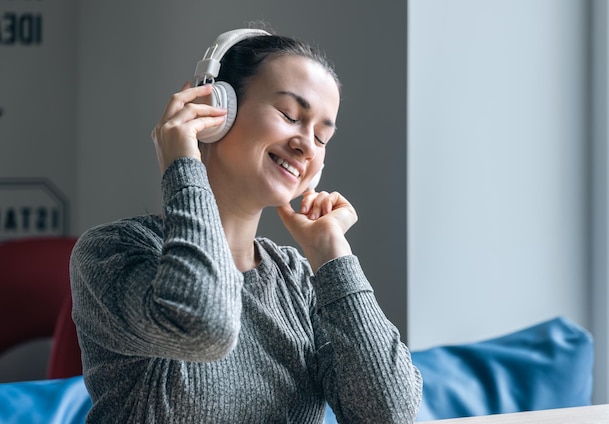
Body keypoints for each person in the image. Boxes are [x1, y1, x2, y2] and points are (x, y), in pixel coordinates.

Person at [70, 25, 422, 423]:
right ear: (216, 110)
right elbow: (205, 324)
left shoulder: (298, 282)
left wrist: (332, 255)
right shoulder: (111, 252)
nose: (306, 144)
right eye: (290, 115)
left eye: (322, 137)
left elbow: (391, 413)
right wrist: (184, 167)